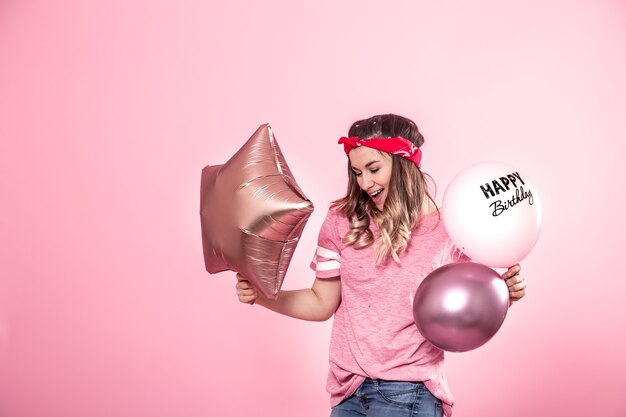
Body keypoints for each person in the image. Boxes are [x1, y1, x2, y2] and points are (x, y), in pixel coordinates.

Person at [235, 113, 526, 417]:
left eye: (374, 169)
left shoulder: (448, 227)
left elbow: (471, 302)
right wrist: (263, 295)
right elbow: (322, 302)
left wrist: (504, 293)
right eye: (357, 172)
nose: (365, 182)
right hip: (347, 391)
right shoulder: (340, 221)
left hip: (409, 393)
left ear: (404, 164)